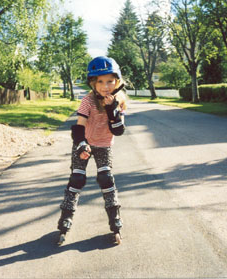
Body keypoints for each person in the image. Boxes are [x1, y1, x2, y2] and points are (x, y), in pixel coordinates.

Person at [57, 56, 127, 245]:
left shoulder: (118, 101)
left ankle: (115, 219)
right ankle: (66, 217)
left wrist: (113, 111)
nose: (106, 86)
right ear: (93, 83)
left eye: (110, 81)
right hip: (84, 143)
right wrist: (81, 144)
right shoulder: (87, 101)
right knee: (77, 178)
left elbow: (118, 131)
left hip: (104, 145)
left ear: (117, 81)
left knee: (106, 178)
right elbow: (79, 127)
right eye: (100, 82)